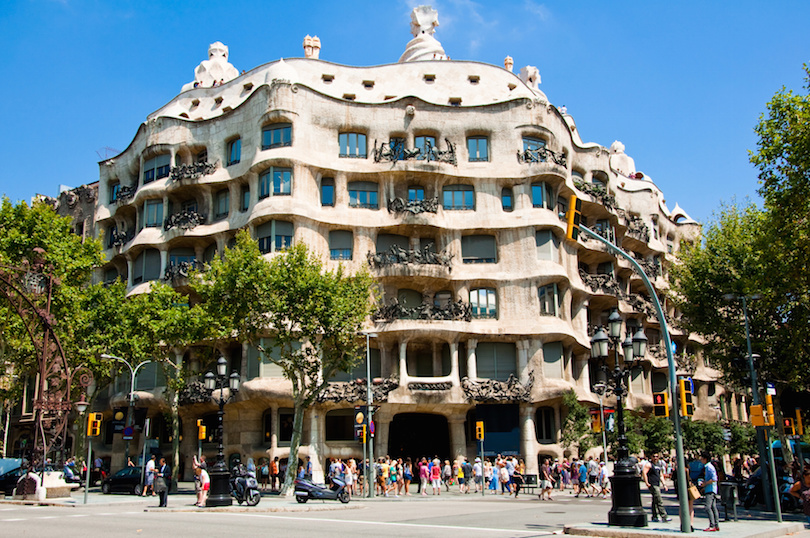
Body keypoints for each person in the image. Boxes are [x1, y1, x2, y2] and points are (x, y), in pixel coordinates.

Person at [642, 454, 671, 522]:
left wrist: (664, 484)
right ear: (651, 457)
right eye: (654, 456)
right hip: (652, 484)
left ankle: (654, 516)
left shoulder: (658, 465)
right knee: (659, 499)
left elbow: (661, 475)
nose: (655, 458)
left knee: (655, 501)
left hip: (657, 484)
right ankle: (664, 516)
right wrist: (646, 482)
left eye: (657, 456)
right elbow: (644, 472)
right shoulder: (649, 465)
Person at [700, 451, 720, 532]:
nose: (701, 460)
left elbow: (714, 479)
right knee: (713, 507)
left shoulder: (708, 467)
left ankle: (712, 525)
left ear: (705, 459)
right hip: (712, 489)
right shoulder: (709, 466)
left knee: (708, 507)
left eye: (701, 458)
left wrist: (705, 484)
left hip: (710, 489)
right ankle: (716, 524)